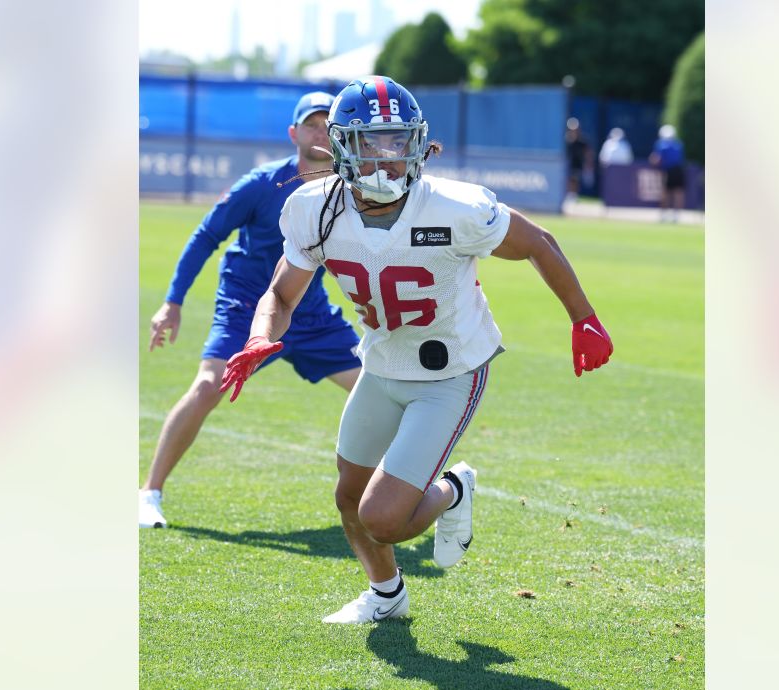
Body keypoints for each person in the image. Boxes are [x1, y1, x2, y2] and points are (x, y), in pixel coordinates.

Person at [218, 76, 614, 624]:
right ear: (339, 147)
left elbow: (538, 243)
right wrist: (262, 333)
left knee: (381, 517)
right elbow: (282, 292)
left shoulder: (454, 207)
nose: (387, 157)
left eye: (398, 141)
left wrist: (583, 318)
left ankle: (453, 488)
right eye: (371, 142)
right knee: (348, 499)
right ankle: (387, 596)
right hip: (380, 364)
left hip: (450, 369)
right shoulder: (315, 208)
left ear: (419, 143)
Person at [140, 91, 363, 528]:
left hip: (309, 310)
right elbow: (206, 236)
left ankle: (409, 493)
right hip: (246, 305)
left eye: (327, 125)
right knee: (207, 388)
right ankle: (149, 492)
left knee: (380, 391)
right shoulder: (261, 184)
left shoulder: (345, 187)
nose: (320, 133)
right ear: (293, 133)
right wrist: (172, 302)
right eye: (311, 125)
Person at [649, 124, 687, 223]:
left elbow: (656, 159)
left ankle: (664, 215)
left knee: (665, 193)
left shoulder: (661, 144)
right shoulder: (679, 144)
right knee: (678, 193)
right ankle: (676, 216)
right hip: (679, 170)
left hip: (668, 171)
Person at [564, 117, 594, 202]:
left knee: (574, 179)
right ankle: (568, 195)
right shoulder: (566, 140)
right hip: (567, 163)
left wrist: (588, 164)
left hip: (577, 164)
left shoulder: (582, 141)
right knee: (568, 179)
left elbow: (588, 153)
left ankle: (572, 196)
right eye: (571, 128)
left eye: (575, 129)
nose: (573, 130)